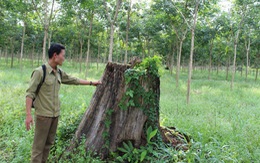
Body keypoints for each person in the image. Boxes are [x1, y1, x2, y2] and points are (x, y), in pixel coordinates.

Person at [25, 43, 101, 163]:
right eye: (63, 55)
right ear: (55, 55)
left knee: (48, 145)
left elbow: (73, 80)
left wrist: (92, 82)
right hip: (43, 116)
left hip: (55, 115)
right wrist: (28, 115)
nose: (64, 58)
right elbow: (30, 94)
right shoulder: (40, 72)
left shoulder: (58, 72)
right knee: (38, 148)